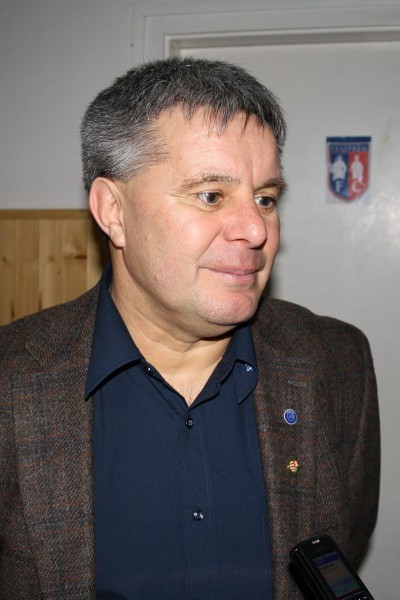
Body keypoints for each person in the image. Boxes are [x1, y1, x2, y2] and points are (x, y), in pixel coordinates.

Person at [0, 57, 380, 599]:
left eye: (266, 198)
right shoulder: (12, 378)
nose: (256, 229)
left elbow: (342, 546)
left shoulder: (338, 362)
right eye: (211, 195)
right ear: (113, 211)